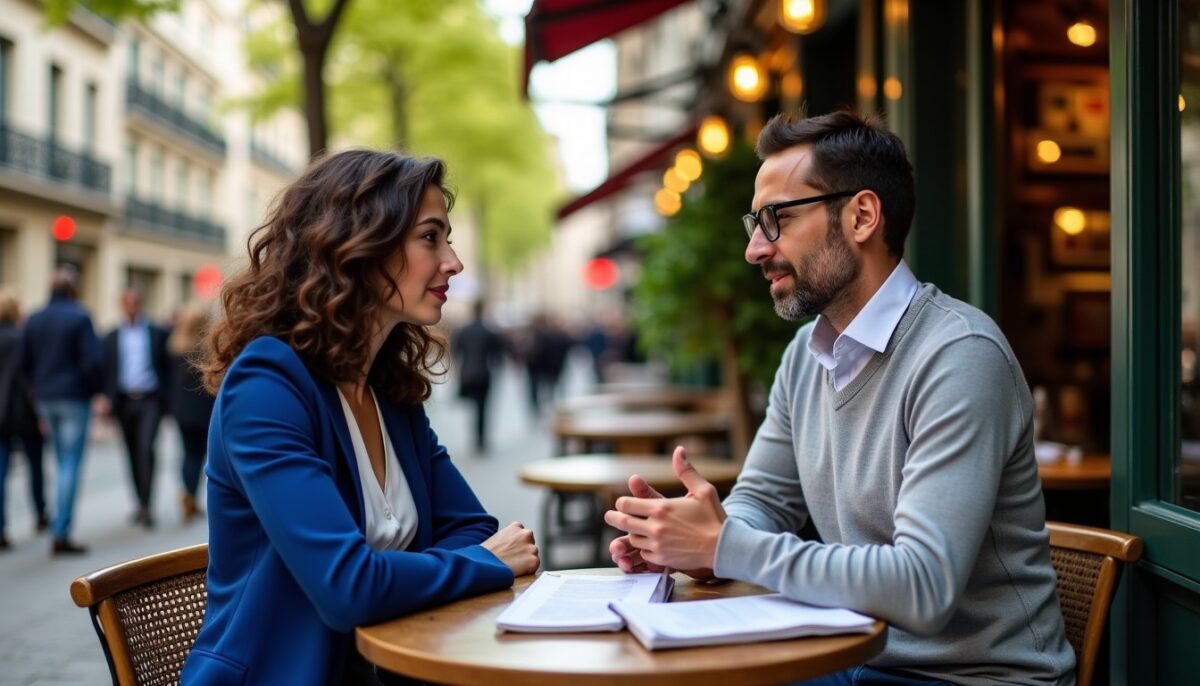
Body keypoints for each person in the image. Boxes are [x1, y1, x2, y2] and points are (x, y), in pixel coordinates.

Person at [604, 111, 1075, 685]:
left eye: (776, 219)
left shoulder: (959, 355)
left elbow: (923, 587)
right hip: (853, 658)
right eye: (755, 222)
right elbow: (764, 503)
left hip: (976, 677)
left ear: (862, 216)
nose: (755, 249)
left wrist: (727, 545)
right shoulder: (806, 354)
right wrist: (691, 539)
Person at [181, 150, 538, 686]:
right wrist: (483, 564)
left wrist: (407, 575)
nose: (454, 262)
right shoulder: (267, 387)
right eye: (430, 237)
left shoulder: (389, 391)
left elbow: (472, 526)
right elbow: (347, 587)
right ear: (358, 247)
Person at [22, 266, 102, 555]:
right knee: (69, 464)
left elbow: (25, 365)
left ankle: (58, 524)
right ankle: (61, 532)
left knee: (59, 461)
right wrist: (92, 392)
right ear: (72, 290)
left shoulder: (34, 318)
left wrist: (36, 394)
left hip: (45, 398)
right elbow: (93, 362)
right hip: (73, 398)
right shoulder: (80, 317)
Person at [103, 288, 170, 528]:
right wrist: (104, 399)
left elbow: (166, 366)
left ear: (140, 305)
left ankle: (148, 505)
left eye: (135, 303)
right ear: (122, 306)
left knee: (146, 448)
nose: (131, 308)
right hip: (123, 401)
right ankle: (140, 503)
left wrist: (168, 403)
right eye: (127, 304)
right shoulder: (111, 336)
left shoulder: (157, 333)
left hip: (150, 400)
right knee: (131, 452)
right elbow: (106, 370)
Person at [0, 289, 48, 548]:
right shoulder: (20, 338)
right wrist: (40, 411)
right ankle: (40, 513)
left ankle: (1, 527)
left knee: (1, 471)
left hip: (1, 416)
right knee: (35, 465)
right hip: (23, 413)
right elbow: (28, 379)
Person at [166, 303, 214, 523]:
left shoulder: (176, 346)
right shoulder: (208, 350)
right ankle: (193, 498)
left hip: (182, 411)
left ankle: (187, 492)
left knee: (188, 454)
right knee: (205, 455)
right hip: (205, 410)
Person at [452, 301, 508, 452]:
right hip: (484, 373)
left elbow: (456, 352)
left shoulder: (463, 330)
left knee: (474, 407)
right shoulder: (488, 331)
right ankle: (481, 439)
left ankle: (476, 437)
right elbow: (498, 354)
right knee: (483, 407)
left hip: (468, 373)